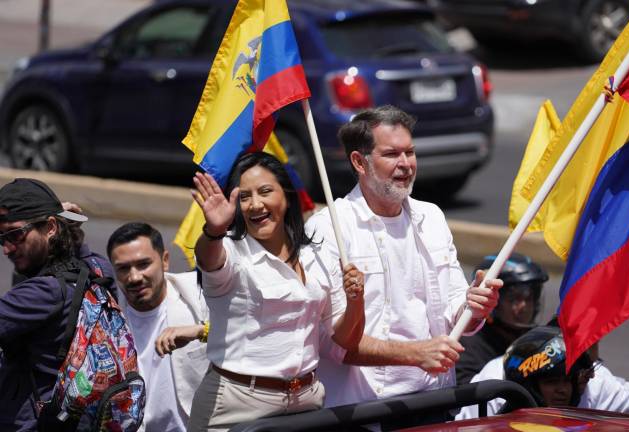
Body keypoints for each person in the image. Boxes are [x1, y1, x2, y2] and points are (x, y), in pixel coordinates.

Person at [305, 105, 502, 409]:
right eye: (391, 154)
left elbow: (453, 312)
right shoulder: (328, 226)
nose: (406, 164)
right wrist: (414, 354)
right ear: (359, 161)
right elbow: (332, 340)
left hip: (435, 403)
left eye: (410, 152)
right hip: (363, 413)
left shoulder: (432, 217)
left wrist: (473, 306)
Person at [187, 152, 366, 431]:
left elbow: (345, 339)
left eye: (265, 191)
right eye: (244, 197)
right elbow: (209, 259)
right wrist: (213, 230)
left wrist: (357, 301)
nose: (255, 204)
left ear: (287, 196)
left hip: (306, 403)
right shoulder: (231, 253)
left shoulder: (318, 254)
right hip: (236, 408)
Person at [0, 178, 110, 431]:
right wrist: (65, 227)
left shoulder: (40, 294)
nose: (7, 249)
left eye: (16, 234)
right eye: (1, 238)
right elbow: (85, 255)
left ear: (50, 227)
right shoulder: (97, 270)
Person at [106, 222, 209, 431]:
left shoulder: (199, 296)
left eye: (143, 264)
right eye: (124, 268)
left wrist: (199, 331)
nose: (134, 277)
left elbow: (244, 333)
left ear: (164, 261)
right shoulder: (109, 320)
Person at [455, 325, 629, 419]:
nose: (563, 391)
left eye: (567, 380)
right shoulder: (492, 383)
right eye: (552, 382)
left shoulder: (592, 381)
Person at [456, 254, 547, 385]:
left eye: (529, 298)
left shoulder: (537, 341)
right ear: (492, 301)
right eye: (514, 298)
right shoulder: (467, 345)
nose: (524, 306)